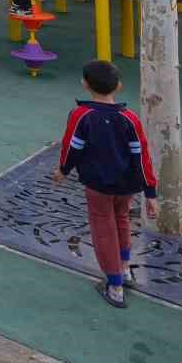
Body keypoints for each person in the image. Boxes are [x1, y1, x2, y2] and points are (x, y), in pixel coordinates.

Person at [53, 59, 158, 308]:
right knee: (121, 220)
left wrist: (63, 170)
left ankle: (115, 285)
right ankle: (124, 268)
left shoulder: (82, 115)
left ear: (84, 84)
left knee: (103, 229)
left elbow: (72, 147)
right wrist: (150, 192)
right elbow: (141, 155)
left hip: (98, 185)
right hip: (127, 185)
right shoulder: (130, 118)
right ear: (118, 86)